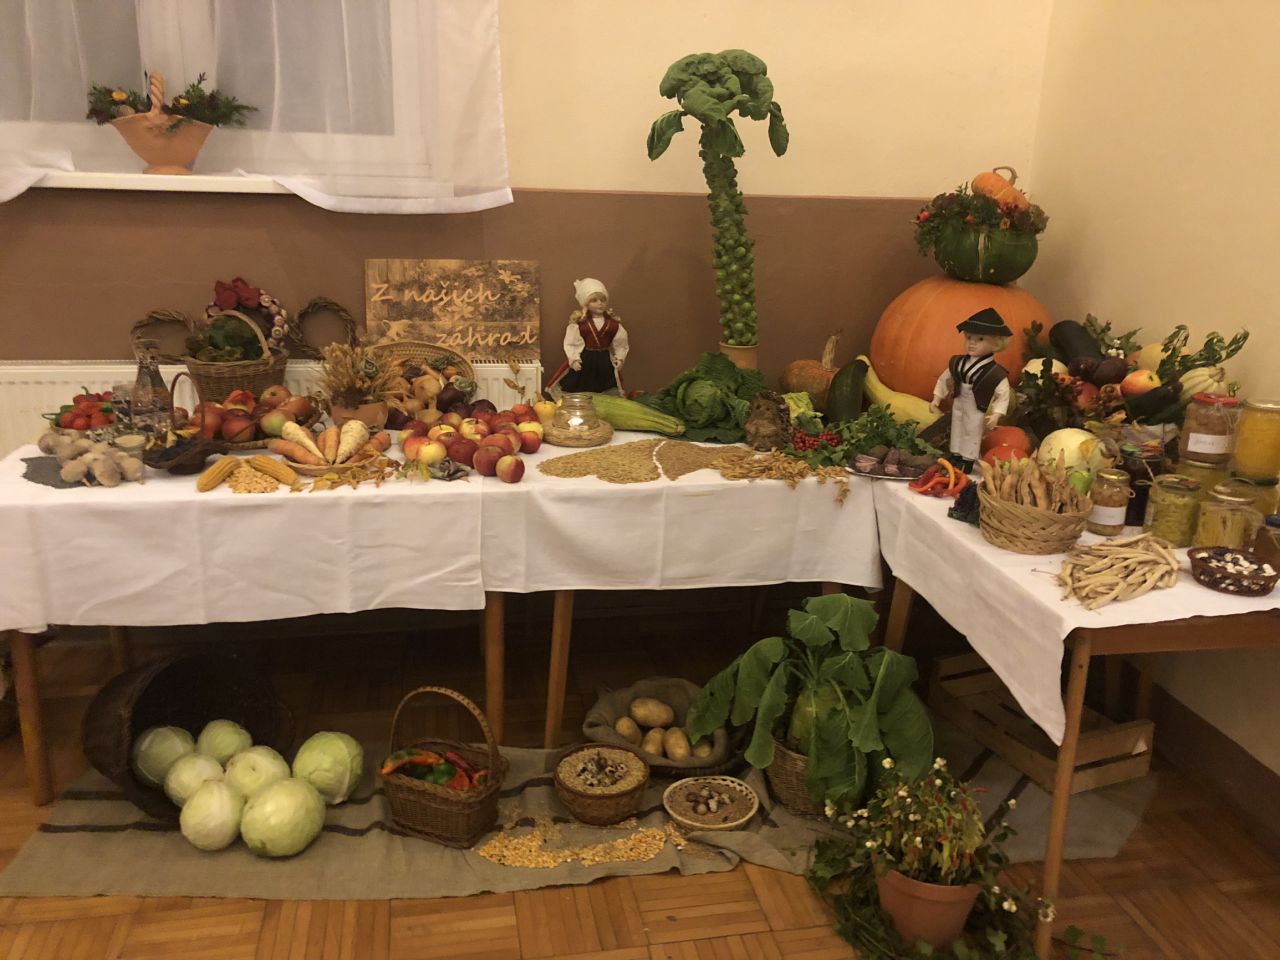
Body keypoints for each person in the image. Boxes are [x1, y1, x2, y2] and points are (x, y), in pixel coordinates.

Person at [929, 307, 1012, 467]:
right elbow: (945, 378)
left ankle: (967, 459)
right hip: (959, 399)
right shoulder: (958, 362)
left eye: (980, 339)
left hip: (976, 403)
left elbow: (1003, 393)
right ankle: (956, 453)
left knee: (972, 429)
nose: (972, 343)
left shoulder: (994, 372)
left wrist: (997, 413)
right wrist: (937, 397)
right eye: (968, 338)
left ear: (996, 344)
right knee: (957, 425)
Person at [546, 279, 629, 394]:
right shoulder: (580, 324)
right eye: (594, 300)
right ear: (586, 303)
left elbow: (621, 344)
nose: (600, 303)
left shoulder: (613, 324)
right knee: (581, 385)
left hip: (604, 360)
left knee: (605, 386)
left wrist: (619, 358)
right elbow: (572, 343)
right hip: (586, 359)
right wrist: (574, 359)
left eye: (603, 300)